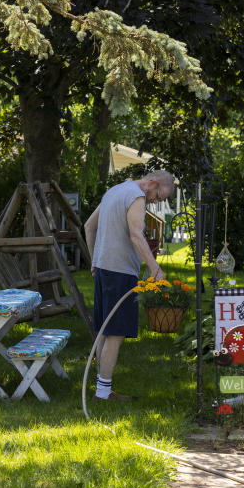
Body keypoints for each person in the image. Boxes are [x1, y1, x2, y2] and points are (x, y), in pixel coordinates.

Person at [84, 170, 175, 400]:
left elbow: (88, 226)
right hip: (120, 271)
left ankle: (101, 389)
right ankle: (103, 393)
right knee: (116, 333)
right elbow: (136, 235)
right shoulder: (136, 196)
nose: (155, 202)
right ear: (152, 183)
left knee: (104, 329)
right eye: (158, 196)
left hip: (104, 268)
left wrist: (94, 259)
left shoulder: (114, 191)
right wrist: (155, 269)